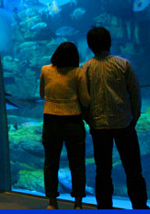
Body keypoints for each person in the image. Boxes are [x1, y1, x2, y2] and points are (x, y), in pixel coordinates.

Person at [82, 27, 149, 209]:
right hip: (124, 124)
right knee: (133, 170)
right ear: (109, 42)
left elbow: (83, 100)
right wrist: (134, 117)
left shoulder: (85, 68)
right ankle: (140, 206)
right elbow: (135, 93)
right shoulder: (123, 64)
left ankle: (104, 207)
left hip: (99, 127)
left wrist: (90, 120)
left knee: (102, 171)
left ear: (90, 46)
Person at [40, 42, 90, 210]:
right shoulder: (78, 73)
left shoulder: (45, 70)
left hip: (51, 121)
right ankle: (77, 204)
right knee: (77, 164)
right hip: (73, 122)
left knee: (50, 163)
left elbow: (42, 93)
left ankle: (52, 202)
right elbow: (85, 100)